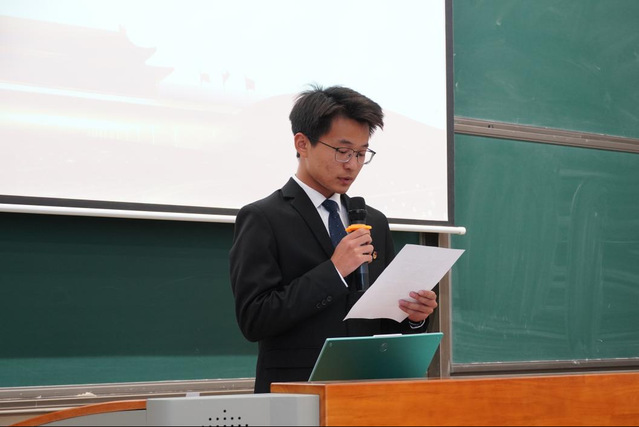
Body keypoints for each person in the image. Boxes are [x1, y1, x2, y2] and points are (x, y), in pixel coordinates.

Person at [229, 85, 438, 393]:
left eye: (361, 153)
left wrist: (413, 317)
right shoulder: (263, 217)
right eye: (342, 151)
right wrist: (334, 271)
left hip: (367, 388)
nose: (352, 164)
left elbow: (383, 323)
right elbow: (254, 319)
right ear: (302, 144)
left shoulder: (374, 221)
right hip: (296, 393)